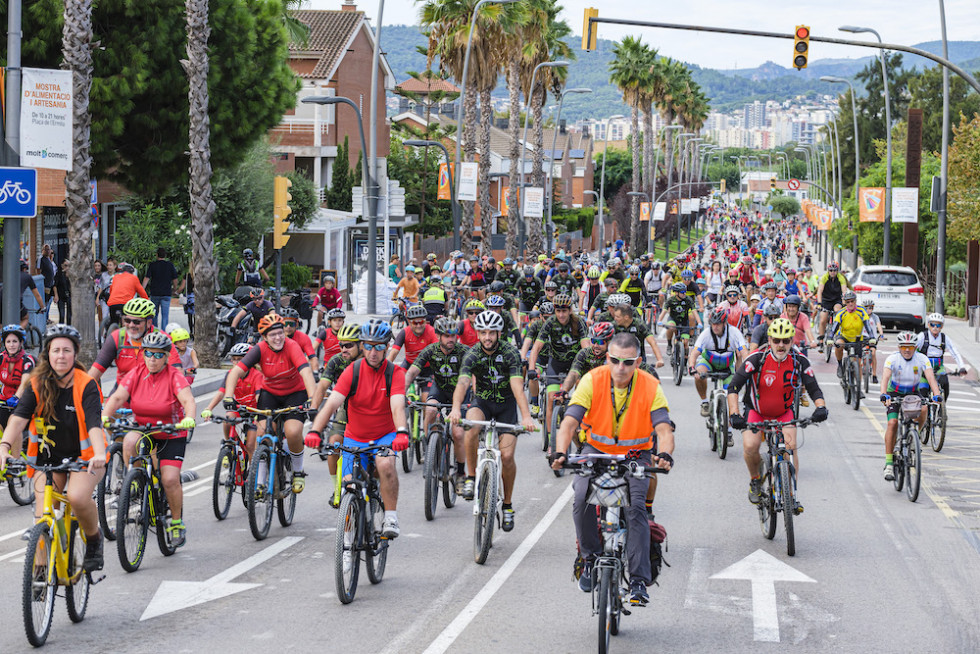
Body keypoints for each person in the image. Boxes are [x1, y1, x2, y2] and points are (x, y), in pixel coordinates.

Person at [550, 332, 675, 606]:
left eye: (628, 362)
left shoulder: (651, 385)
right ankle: (589, 557)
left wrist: (664, 453)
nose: (621, 368)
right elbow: (569, 423)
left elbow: (664, 428)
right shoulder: (591, 380)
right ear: (607, 358)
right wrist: (560, 451)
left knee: (636, 509)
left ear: (638, 362)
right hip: (594, 452)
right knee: (581, 497)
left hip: (635, 455)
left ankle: (639, 580)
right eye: (616, 360)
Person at [0, 324, 107, 572]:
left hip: (86, 458)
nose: (61, 355)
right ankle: (38, 573)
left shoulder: (86, 384)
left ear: (75, 354)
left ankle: (93, 540)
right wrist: (4, 446)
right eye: (56, 350)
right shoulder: (37, 383)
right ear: (47, 353)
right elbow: (18, 419)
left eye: (66, 350)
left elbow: (94, 423)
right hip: (49, 459)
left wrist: (100, 454)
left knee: (77, 498)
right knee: (43, 512)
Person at [307, 319, 410, 537]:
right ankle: (345, 545)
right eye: (369, 346)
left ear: (387, 347)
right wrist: (315, 430)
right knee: (348, 488)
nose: (374, 352)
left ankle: (390, 516)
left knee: (386, 465)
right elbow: (333, 402)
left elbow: (398, 405)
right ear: (362, 346)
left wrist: (401, 431)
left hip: (385, 435)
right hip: (354, 437)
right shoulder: (352, 371)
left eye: (380, 346)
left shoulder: (395, 373)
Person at [102, 331, 196, 547]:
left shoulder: (174, 376)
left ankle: (176, 523)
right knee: (128, 441)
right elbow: (117, 397)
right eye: (148, 354)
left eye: (157, 355)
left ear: (165, 356)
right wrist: (105, 415)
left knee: (170, 479)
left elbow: (188, 400)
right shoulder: (137, 372)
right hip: (144, 427)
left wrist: (189, 418)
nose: (152, 359)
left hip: (171, 432)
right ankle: (135, 480)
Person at [449, 311, 536, 532]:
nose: (487, 337)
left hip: (506, 406)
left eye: (491, 332)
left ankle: (507, 506)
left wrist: (526, 416)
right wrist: (456, 409)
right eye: (483, 332)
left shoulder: (510, 353)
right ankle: (470, 477)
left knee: (507, 457)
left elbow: (517, 387)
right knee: (471, 427)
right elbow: (463, 383)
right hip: (483, 403)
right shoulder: (472, 354)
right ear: (478, 333)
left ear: (499, 333)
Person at [727, 319, 828, 506]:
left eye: (786, 341)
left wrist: (820, 407)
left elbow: (813, 388)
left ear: (792, 341)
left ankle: (791, 495)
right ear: (770, 340)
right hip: (756, 411)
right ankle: (756, 480)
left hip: (783, 413)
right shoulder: (757, 358)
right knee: (750, 446)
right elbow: (733, 387)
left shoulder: (799, 361)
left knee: (790, 447)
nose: (781, 345)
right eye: (776, 340)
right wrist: (734, 414)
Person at [224, 313, 317, 493]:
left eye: (280, 333)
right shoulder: (259, 349)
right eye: (272, 335)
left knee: (293, 431)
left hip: (295, 393)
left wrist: (312, 400)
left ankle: (297, 471)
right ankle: (259, 483)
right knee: (261, 435)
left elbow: (306, 373)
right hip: (270, 394)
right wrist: (229, 396)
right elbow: (235, 372)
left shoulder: (292, 346)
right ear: (265, 338)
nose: (278, 337)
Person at [405, 317, 469, 490]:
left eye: (454, 336)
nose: (451, 339)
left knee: (457, 433)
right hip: (439, 389)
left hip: (461, 394)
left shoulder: (464, 351)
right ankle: (429, 446)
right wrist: (401, 390)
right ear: (439, 336)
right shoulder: (430, 350)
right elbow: (412, 371)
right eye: (447, 336)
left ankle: (461, 473)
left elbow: (475, 375)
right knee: (431, 409)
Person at [308, 323, 361, 507]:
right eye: (341, 345)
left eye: (349, 345)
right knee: (333, 446)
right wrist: (314, 408)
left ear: (360, 345)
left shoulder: (369, 361)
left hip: (367, 411)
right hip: (345, 408)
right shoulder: (336, 361)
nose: (344, 349)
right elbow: (322, 385)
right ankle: (337, 488)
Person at [879, 331, 943, 481]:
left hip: (913, 393)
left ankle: (916, 435)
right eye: (903, 347)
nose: (907, 350)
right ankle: (889, 464)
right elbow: (885, 377)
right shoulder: (892, 359)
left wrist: (936, 394)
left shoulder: (922, 359)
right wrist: (884, 394)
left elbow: (931, 377)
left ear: (915, 347)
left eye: (910, 347)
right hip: (894, 393)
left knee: (925, 408)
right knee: (892, 422)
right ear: (899, 347)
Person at [528, 294, 589, 446]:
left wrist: (590, 369)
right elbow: (536, 347)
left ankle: (585, 431)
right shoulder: (550, 322)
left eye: (564, 311)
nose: (561, 314)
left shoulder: (578, 322)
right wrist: (530, 368)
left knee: (585, 397)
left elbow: (586, 347)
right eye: (558, 311)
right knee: (551, 399)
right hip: (556, 364)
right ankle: (551, 441)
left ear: (570, 310)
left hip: (575, 364)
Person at [88, 297, 182, 386]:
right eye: (127, 321)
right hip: (123, 394)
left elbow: (178, 373)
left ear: (149, 323)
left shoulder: (163, 340)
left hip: (154, 393)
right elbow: (95, 370)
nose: (131, 325)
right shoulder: (117, 337)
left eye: (137, 322)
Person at [689, 307, 748, 429]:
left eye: (718, 324)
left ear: (725, 323)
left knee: (732, 395)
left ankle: (730, 430)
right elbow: (694, 353)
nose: (715, 327)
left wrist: (747, 369)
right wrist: (691, 367)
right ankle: (704, 402)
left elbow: (744, 353)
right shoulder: (706, 334)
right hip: (709, 363)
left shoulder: (734, 333)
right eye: (713, 324)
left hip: (727, 367)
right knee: (699, 374)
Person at [201, 342, 262, 457]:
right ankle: (230, 443)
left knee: (250, 446)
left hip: (254, 411)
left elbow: (259, 396)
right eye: (233, 359)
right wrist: (209, 408)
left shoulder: (257, 375)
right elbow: (221, 393)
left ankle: (252, 474)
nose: (236, 362)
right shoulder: (230, 374)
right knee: (228, 418)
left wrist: (259, 413)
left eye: (240, 359)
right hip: (239, 408)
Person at [915, 313, 968, 401]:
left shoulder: (944, 338)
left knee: (945, 384)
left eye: (938, 325)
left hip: (938, 368)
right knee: (922, 391)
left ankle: (942, 409)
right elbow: (912, 349)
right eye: (932, 324)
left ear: (942, 326)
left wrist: (961, 366)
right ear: (928, 324)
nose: (935, 327)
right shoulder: (922, 336)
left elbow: (955, 352)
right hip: (923, 369)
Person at [831, 291, 876, 382]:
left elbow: (867, 325)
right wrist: (829, 338)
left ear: (855, 301)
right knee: (839, 344)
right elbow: (834, 327)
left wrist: (872, 337)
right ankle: (840, 365)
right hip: (844, 336)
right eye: (848, 302)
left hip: (857, 338)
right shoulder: (841, 313)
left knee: (858, 363)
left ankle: (858, 388)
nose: (850, 304)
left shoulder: (862, 310)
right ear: (845, 303)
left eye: (852, 301)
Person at [0, 325, 37, 430]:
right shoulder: (1, 358)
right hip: (4, 400)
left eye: (15, 341)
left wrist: (16, 397)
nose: (11, 345)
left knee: (13, 425)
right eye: (8, 342)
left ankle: (15, 446)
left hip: (23, 400)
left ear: (21, 343)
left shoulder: (27, 360)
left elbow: (25, 383)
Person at [388, 305, 438, 374]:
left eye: (421, 322)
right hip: (409, 364)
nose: (418, 326)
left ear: (425, 321)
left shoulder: (431, 331)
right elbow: (393, 353)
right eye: (415, 323)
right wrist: (383, 370)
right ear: (409, 321)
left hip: (427, 367)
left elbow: (439, 352)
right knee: (400, 379)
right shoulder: (404, 332)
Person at [815, 261, 851, 350]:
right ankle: (821, 340)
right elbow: (819, 291)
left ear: (837, 270)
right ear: (828, 270)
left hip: (836, 299)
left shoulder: (841, 278)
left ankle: (837, 333)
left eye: (834, 270)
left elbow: (844, 291)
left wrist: (844, 303)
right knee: (823, 319)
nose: (832, 272)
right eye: (831, 270)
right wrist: (819, 303)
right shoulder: (824, 277)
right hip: (826, 299)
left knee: (838, 311)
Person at [142, 247, 179, 328]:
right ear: (165, 255)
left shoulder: (152, 265)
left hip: (155, 293)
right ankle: (163, 333)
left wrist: (142, 289)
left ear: (156, 255)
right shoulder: (170, 265)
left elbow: (147, 278)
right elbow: (175, 279)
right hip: (166, 293)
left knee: (154, 314)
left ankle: (154, 330)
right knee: (165, 316)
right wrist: (175, 289)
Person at [18, 259, 45, 328]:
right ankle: (16, 333)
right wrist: (42, 307)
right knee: (25, 317)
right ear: (24, 268)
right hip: (15, 301)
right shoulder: (27, 277)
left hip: (1, 297)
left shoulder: (8, 275)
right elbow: (37, 295)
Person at [37, 244, 57, 315]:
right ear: (43, 250)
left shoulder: (48, 259)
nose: (48, 251)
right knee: (45, 301)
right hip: (45, 285)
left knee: (48, 302)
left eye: (49, 249)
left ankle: (46, 317)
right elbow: (38, 270)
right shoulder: (41, 259)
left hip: (50, 284)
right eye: (46, 250)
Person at [53, 258, 72, 324]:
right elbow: (55, 285)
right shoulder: (59, 274)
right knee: (62, 314)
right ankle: (61, 328)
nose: (67, 267)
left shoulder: (71, 275)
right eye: (66, 265)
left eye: (69, 266)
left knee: (69, 316)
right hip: (60, 295)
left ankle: (68, 328)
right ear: (62, 265)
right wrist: (56, 295)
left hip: (69, 295)